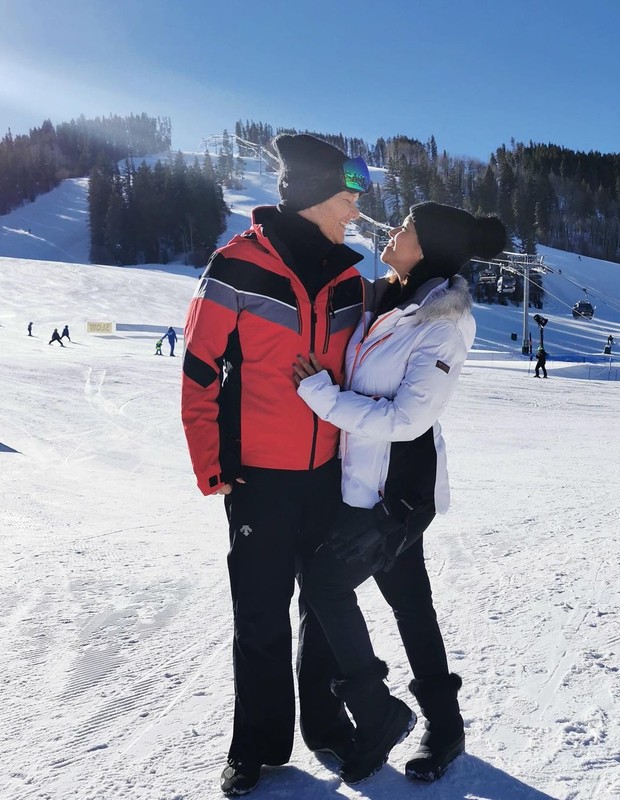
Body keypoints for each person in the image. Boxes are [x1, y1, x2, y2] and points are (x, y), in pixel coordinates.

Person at [181, 134, 372, 796]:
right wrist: (212, 462)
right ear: (317, 196)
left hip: (328, 477)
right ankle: (256, 746)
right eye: (349, 198)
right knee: (259, 617)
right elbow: (200, 368)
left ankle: (329, 730)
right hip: (257, 478)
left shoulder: (351, 281)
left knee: (323, 611)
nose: (355, 212)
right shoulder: (235, 265)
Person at [293, 202, 507, 783]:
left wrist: (320, 396)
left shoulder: (442, 322)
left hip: (396, 495)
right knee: (410, 604)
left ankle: (377, 709)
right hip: (363, 482)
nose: (393, 231)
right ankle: (444, 721)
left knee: (324, 584)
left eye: (407, 227)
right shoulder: (389, 298)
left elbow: (408, 418)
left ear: (429, 246)